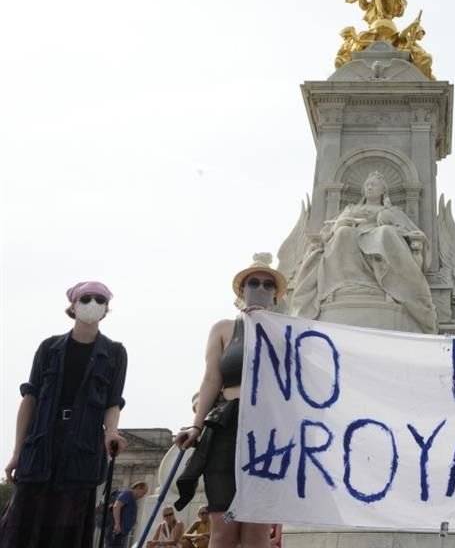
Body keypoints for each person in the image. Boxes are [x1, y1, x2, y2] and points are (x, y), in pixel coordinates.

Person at [0, 281, 129, 548]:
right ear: (73, 305)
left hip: (82, 446)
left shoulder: (115, 352)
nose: (93, 304)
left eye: (100, 299)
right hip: (43, 440)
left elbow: (112, 402)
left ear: (106, 309)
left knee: (67, 528)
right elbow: (30, 399)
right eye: (86, 298)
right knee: (22, 522)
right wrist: (17, 451)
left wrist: (112, 433)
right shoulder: (49, 348)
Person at [174, 254, 288, 547]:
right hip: (226, 426)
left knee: (256, 531)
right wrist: (196, 427)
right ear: (241, 291)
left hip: (267, 429)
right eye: (254, 282)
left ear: (275, 295)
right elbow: (211, 379)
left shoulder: (286, 332)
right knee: (223, 527)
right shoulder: (224, 328)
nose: (260, 288)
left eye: (267, 284)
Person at [290, 171, 437, 333]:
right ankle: (346, 284)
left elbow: (407, 229)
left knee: (386, 232)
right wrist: (340, 225)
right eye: (367, 185)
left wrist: (388, 219)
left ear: (383, 190)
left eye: (374, 185)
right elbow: (330, 230)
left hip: (377, 237)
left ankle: (388, 284)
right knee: (343, 233)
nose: (369, 187)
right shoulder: (351, 208)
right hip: (352, 236)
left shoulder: (392, 210)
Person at [109, 481, 148, 548]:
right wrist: (117, 524)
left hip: (122, 533)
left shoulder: (132, 499)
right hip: (116, 531)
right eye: (143, 493)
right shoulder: (128, 494)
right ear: (138, 488)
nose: (143, 496)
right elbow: (116, 506)